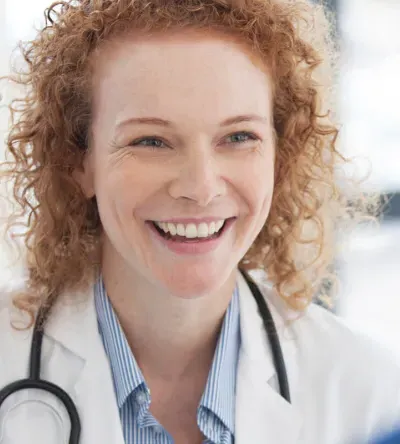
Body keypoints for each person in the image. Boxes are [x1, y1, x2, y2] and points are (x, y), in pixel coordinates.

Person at [0, 0, 399, 443]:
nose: (201, 186)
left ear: (279, 157)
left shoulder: (372, 396)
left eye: (239, 137)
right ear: (79, 162)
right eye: (150, 140)